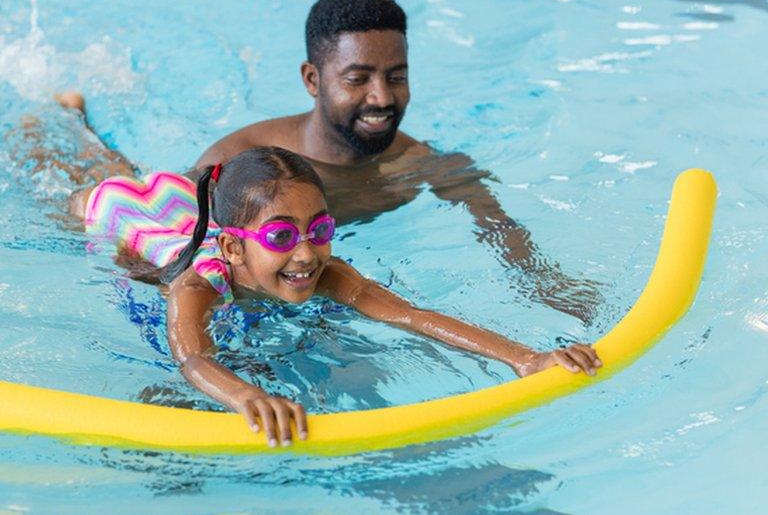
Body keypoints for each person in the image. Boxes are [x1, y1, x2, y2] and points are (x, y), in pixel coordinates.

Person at [58, 0, 603, 326]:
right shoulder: (243, 158)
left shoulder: (426, 165)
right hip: (157, 207)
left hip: (297, 269)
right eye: (358, 79)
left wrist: (547, 287)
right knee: (98, 179)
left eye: (397, 77)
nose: (383, 98)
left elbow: (499, 228)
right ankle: (64, 121)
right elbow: (183, 232)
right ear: (313, 79)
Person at [71, 146, 602, 448]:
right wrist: (247, 396)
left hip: (189, 207)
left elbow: (412, 316)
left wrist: (527, 358)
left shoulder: (322, 269)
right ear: (232, 247)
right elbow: (192, 358)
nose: (305, 254)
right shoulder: (196, 286)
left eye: (319, 229)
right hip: (128, 220)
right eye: (282, 237)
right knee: (87, 174)